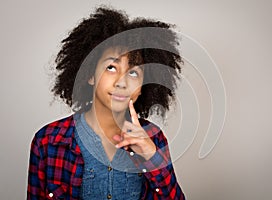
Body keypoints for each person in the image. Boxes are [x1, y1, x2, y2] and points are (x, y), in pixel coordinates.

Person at [27, 6, 185, 200]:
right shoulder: (48, 141)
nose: (122, 81)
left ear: (143, 85)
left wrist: (151, 156)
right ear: (90, 75)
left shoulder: (154, 139)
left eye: (134, 72)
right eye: (111, 67)